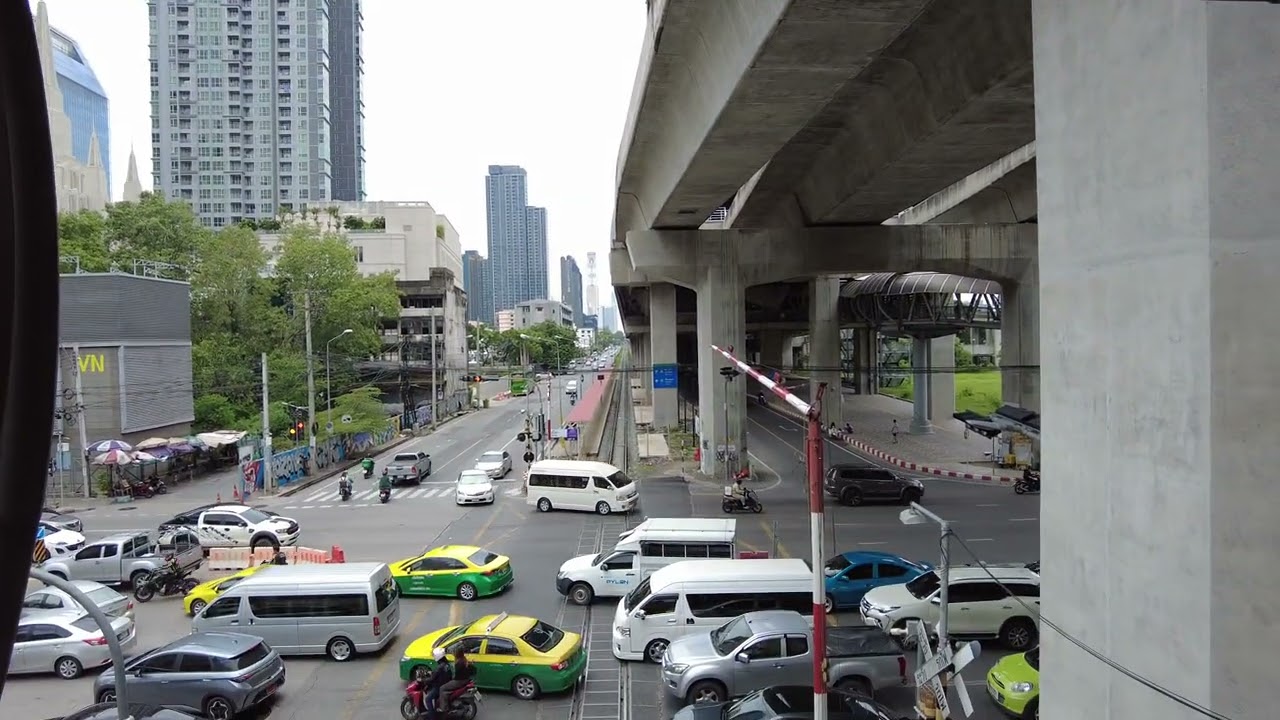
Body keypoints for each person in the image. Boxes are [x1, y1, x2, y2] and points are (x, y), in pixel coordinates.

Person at [422, 647, 451, 718]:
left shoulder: (440, 667)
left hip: (440, 686)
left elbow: (432, 679)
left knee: (428, 699)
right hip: (446, 683)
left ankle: (432, 717)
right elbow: (437, 674)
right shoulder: (446, 664)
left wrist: (424, 681)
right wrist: (431, 673)